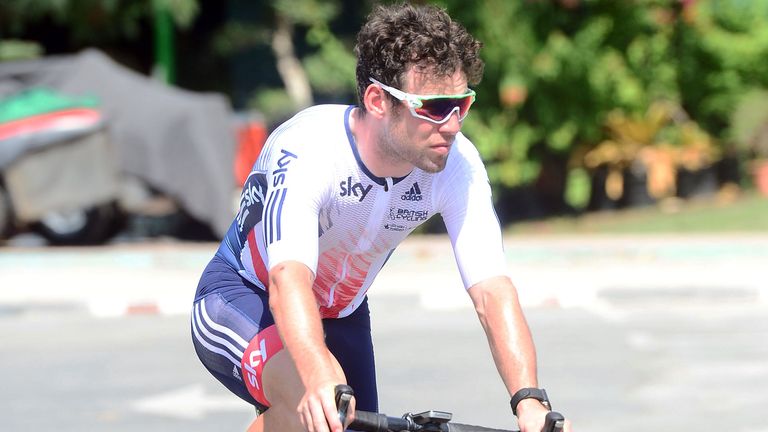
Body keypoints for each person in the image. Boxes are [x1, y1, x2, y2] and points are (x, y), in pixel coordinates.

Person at [191, 3, 572, 432]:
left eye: (461, 104)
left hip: (343, 313)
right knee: (312, 406)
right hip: (245, 296)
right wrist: (317, 371)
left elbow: (492, 292)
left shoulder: (456, 163)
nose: (452, 125)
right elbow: (287, 280)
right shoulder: (310, 150)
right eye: (433, 107)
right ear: (377, 100)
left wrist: (529, 399)